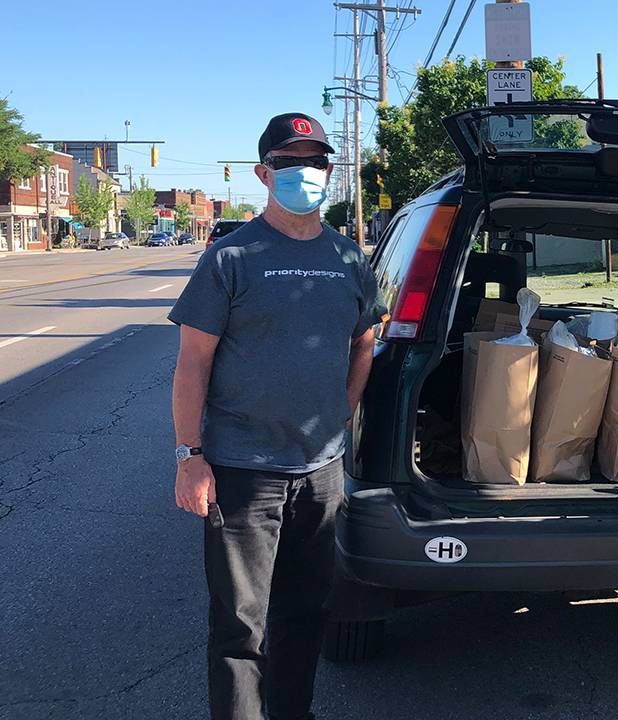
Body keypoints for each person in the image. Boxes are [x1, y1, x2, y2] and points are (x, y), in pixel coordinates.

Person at [169, 112, 382, 720]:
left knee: (304, 613)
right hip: (241, 472)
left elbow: (365, 339)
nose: (303, 173)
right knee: (242, 628)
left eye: (314, 162)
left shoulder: (348, 258)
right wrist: (190, 457)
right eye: (288, 163)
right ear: (264, 173)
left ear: (330, 172)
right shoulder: (229, 259)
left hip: (321, 473)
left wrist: (342, 410)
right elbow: (192, 366)